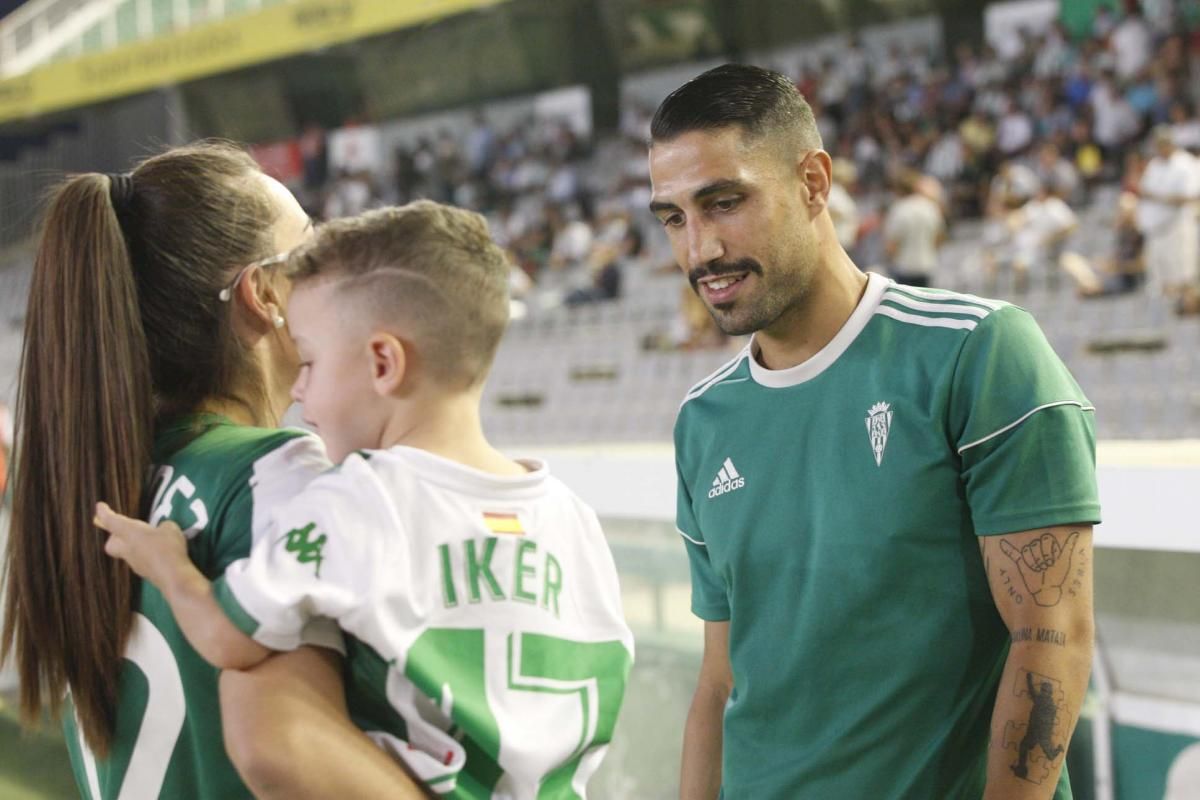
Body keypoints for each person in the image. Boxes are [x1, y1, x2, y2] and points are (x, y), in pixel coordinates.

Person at [647, 64, 1098, 799]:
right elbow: (720, 682)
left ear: (815, 184)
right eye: (672, 218)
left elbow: (1051, 641)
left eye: (723, 202)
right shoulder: (703, 420)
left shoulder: (978, 352)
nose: (699, 250)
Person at [96, 201, 636, 797]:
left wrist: (171, 567)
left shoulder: (357, 500)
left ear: (384, 363)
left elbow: (228, 636)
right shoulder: (574, 517)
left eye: (309, 362)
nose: (299, 392)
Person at [0, 143, 422, 799]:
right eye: (310, 254)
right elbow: (287, 754)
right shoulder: (276, 477)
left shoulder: (106, 479)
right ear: (263, 294)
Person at [1137, 126, 1200, 295]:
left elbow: (1189, 197)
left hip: (1177, 226)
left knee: (1181, 277)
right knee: (1159, 282)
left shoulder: (1186, 164)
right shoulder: (1154, 164)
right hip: (1155, 227)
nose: (1160, 147)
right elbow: (1143, 190)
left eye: (1163, 143)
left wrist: (1158, 197)